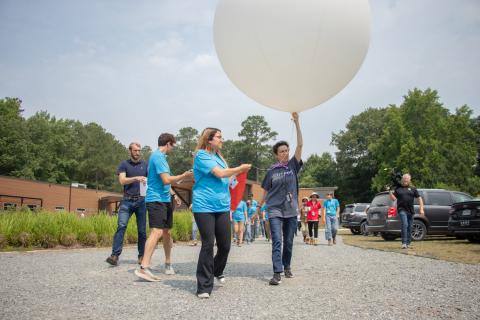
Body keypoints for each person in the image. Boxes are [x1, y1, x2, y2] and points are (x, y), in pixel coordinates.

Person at [192, 127, 251, 299]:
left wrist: (237, 177)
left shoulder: (219, 157)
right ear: (209, 139)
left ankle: (215, 271)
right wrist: (239, 169)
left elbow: (227, 178)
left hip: (222, 207)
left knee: (225, 245)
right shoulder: (202, 155)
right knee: (208, 244)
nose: (222, 139)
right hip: (204, 207)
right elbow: (219, 174)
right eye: (219, 137)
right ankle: (203, 286)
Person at [134, 133, 193, 282]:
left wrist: (174, 195)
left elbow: (168, 182)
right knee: (157, 231)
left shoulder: (163, 160)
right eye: (172, 145)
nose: (172, 148)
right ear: (168, 143)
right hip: (156, 200)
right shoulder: (158, 157)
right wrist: (184, 174)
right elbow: (167, 179)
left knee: (167, 232)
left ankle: (168, 263)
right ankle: (144, 267)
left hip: (165, 199)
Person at [258, 112, 303, 286]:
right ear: (276, 154)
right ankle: (277, 272)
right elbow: (265, 191)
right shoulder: (271, 171)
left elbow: (300, 144)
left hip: (291, 210)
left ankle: (287, 266)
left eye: (286, 151)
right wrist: (258, 208)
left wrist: (297, 122)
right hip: (274, 209)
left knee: (289, 241)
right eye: (282, 151)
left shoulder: (293, 165)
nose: (285, 153)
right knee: (277, 239)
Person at [106, 142, 148, 266]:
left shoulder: (145, 165)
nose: (138, 153)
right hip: (127, 201)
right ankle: (114, 256)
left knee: (142, 231)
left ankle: (141, 256)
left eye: (139, 150)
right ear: (130, 151)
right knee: (121, 226)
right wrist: (136, 178)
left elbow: (152, 180)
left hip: (141, 201)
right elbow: (122, 181)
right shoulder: (124, 164)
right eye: (135, 150)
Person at [389, 173, 425, 249]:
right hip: (402, 210)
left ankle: (408, 243)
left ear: (409, 180)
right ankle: (404, 243)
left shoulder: (413, 188)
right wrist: (389, 192)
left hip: (410, 211)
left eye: (407, 178)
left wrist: (421, 208)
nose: (405, 179)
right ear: (402, 179)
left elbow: (419, 198)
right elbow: (393, 198)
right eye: (404, 178)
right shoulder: (398, 188)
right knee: (404, 224)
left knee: (410, 227)